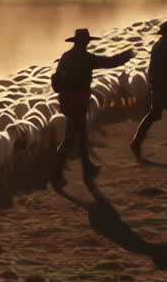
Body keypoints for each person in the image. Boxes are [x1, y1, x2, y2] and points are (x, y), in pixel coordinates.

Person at [50, 28, 135, 187]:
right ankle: (55, 174)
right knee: (71, 138)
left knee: (80, 136)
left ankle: (86, 168)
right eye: (87, 41)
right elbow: (109, 62)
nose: (88, 43)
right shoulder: (85, 58)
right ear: (85, 42)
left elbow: (58, 77)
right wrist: (127, 55)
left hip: (66, 101)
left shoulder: (66, 57)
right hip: (78, 102)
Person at [130, 20, 167, 161]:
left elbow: (159, 67)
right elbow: (166, 68)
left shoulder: (162, 44)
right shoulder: (164, 46)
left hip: (162, 85)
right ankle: (135, 142)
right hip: (162, 86)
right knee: (155, 114)